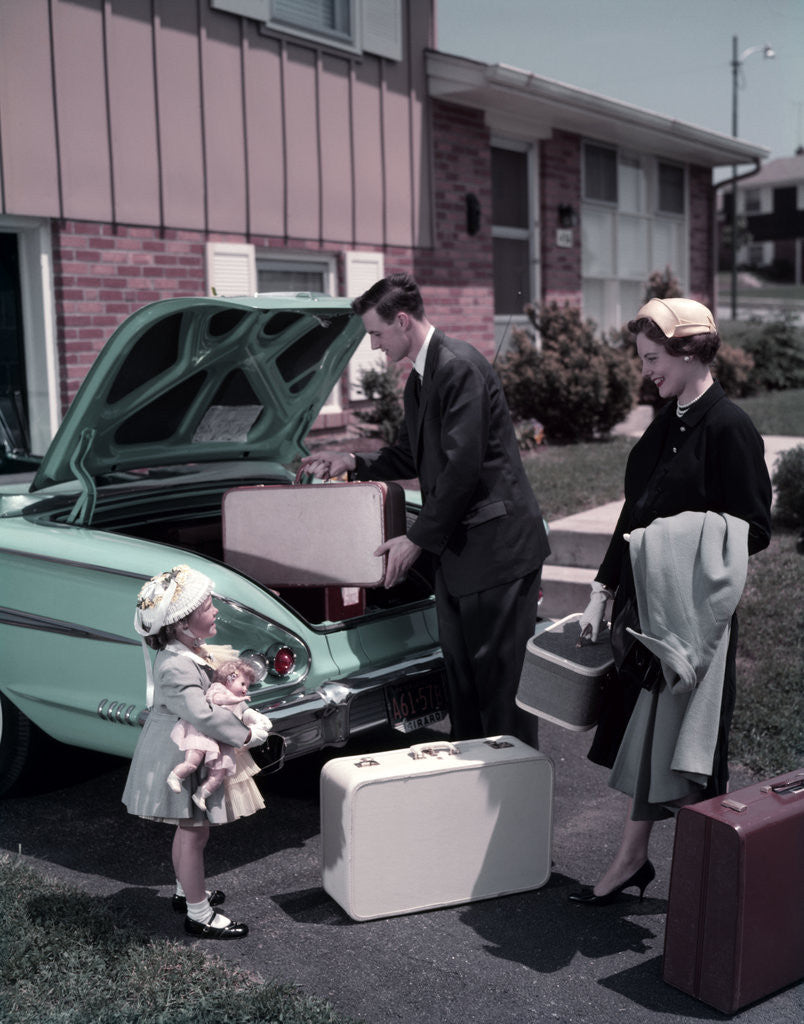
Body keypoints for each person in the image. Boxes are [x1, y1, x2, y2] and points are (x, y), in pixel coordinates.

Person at [571, 297, 772, 905]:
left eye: (653, 358)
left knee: (694, 749)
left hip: (692, 616)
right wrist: (602, 588)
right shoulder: (668, 421)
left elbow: (754, 528)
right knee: (651, 733)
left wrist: (673, 541)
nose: (645, 371)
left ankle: (710, 890)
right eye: (642, 359)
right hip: (646, 609)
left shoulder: (730, 426)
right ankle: (633, 860)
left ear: (688, 352)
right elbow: (634, 516)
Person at [298, 273, 550, 744]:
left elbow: (462, 470)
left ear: (401, 320)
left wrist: (416, 540)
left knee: (499, 694)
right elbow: (412, 456)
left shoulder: (458, 367)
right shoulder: (419, 379)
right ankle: (475, 789)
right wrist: (351, 459)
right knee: (464, 688)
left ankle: (513, 802)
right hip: (460, 556)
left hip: (497, 554)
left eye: (375, 333)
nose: (373, 345)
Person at [122, 565, 271, 939]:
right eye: (207, 606)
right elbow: (203, 714)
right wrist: (246, 734)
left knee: (193, 831)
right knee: (192, 832)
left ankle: (184, 891)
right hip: (181, 752)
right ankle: (198, 913)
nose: (215, 610)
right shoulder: (175, 666)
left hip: (192, 747)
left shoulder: (189, 651)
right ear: (183, 624)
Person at [167, 658, 272, 812]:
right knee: (192, 762)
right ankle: (175, 776)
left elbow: (242, 711)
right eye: (243, 684)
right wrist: (236, 699)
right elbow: (217, 699)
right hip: (204, 734)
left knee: (219, 774)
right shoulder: (218, 689)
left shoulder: (238, 700)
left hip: (222, 742)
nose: (245, 689)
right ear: (229, 678)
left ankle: (201, 794)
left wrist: (254, 717)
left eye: (247, 687)